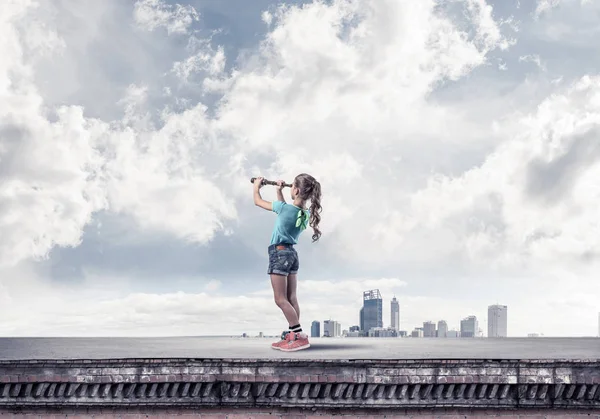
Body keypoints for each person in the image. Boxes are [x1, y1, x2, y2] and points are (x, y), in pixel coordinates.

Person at [253, 173, 322, 352]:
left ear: (296, 190)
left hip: (279, 253)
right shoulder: (304, 214)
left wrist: (257, 186)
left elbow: (258, 202)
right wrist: (278, 190)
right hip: (291, 254)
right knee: (291, 298)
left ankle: (298, 336)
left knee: (280, 299)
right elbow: (284, 209)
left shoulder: (284, 209)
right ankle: (292, 335)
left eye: (291, 187)